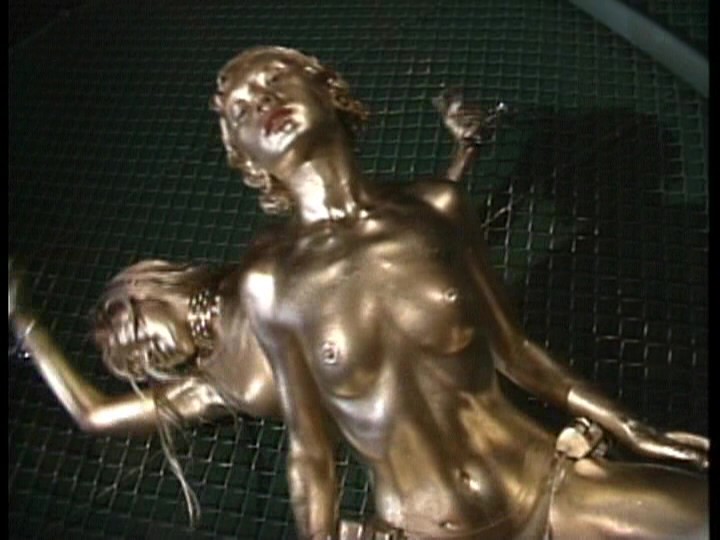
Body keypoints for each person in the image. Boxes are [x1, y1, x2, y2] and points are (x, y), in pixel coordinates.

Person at [8, 46, 708, 539]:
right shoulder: (258, 307)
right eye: (242, 108)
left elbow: (514, 349)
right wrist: (25, 322)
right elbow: (310, 454)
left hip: (547, 481)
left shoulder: (428, 212)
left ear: (328, 90)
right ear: (243, 159)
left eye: (275, 79)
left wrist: (632, 429)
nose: (263, 101)